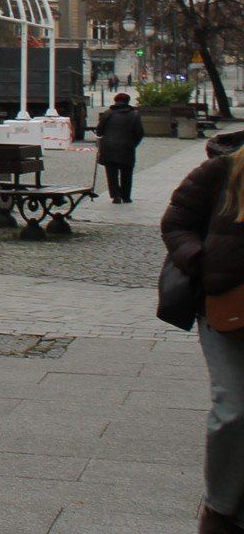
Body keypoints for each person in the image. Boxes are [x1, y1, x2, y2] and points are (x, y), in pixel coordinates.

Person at [160, 129, 244, 533]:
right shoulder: (224, 170)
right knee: (234, 409)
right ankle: (220, 509)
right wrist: (200, 261)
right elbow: (177, 222)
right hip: (226, 309)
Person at [95, 91, 145, 203]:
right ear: (128, 101)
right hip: (127, 148)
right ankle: (126, 196)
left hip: (109, 148)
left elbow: (99, 131)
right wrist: (133, 144)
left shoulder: (108, 113)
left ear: (115, 101)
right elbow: (140, 133)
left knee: (111, 174)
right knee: (127, 173)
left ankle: (116, 196)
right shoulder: (134, 115)